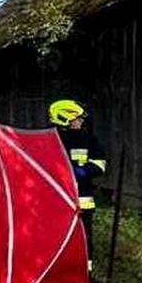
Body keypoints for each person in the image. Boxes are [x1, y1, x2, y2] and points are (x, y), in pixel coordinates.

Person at [49, 99, 107, 274]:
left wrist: (82, 172)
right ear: (64, 119)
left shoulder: (89, 139)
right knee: (57, 237)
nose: (81, 121)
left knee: (84, 237)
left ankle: (85, 273)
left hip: (83, 200)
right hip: (57, 201)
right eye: (77, 118)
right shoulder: (50, 140)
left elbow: (101, 165)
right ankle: (57, 271)